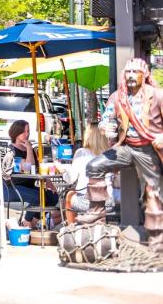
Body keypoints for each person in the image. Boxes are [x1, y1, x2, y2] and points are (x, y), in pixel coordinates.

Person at [86, 57, 163, 252]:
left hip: (149, 149)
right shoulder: (117, 97)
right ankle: (96, 214)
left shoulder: (158, 95)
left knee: (153, 193)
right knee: (94, 166)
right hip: (126, 146)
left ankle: (156, 241)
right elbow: (106, 119)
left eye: (135, 72)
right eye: (127, 72)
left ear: (144, 74)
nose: (130, 76)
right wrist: (106, 127)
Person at [64, 124, 110, 224]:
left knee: (70, 195)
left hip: (89, 202)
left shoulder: (81, 153)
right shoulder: (110, 154)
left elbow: (70, 179)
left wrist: (63, 170)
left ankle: (71, 228)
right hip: (111, 202)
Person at [2, 119, 44, 227]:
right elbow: (27, 167)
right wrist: (29, 148)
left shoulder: (30, 149)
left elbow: (38, 169)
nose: (27, 134)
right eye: (23, 132)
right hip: (13, 187)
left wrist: (50, 185)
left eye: (28, 131)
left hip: (28, 187)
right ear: (16, 133)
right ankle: (26, 223)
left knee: (51, 197)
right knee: (37, 197)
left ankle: (31, 224)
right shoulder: (11, 151)